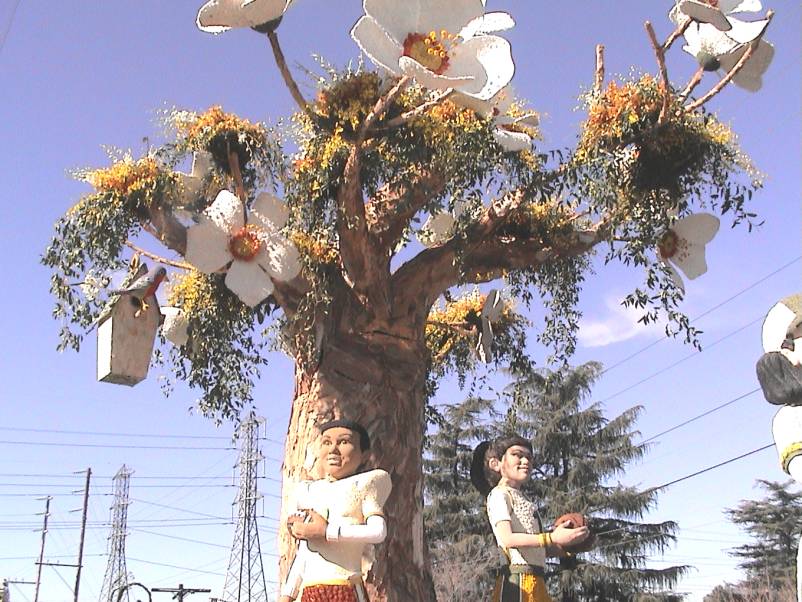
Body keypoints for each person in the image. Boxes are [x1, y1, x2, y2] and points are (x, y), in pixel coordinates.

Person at [279, 419, 391, 602]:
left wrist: (327, 532)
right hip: (310, 592)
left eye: (344, 442)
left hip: (344, 588)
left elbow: (378, 531)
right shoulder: (310, 491)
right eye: (326, 442)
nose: (333, 450)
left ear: (364, 455)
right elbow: (307, 551)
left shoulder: (366, 484)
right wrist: (288, 593)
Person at [470, 435, 589, 602]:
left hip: (537, 582)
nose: (525, 461)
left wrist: (570, 544)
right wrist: (551, 537)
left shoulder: (525, 500)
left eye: (529, 458)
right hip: (516, 584)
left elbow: (538, 548)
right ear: (495, 464)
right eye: (517, 455)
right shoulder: (499, 495)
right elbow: (507, 539)